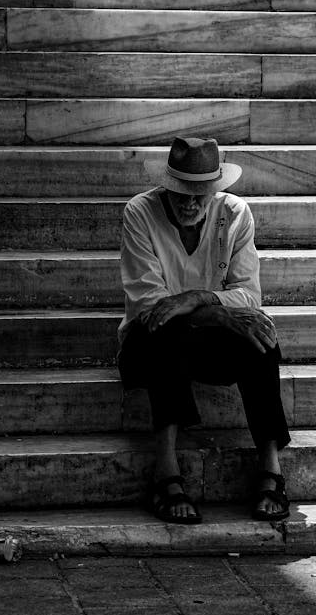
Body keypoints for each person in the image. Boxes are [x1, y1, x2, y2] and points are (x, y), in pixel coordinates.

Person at [118, 136, 290, 525]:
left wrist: (197, 299)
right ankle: (166, 474)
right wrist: (217, 311)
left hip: (208, 343)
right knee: (166, 332)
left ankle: (271, 469)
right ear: (167, 186)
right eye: (181, 193)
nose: (190, 203)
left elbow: (248, 295)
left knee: (259, 334)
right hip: (148, 344)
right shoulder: (140, 213)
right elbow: (151, 305)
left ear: (216, 190)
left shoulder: (235, 214)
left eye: (201, 194)